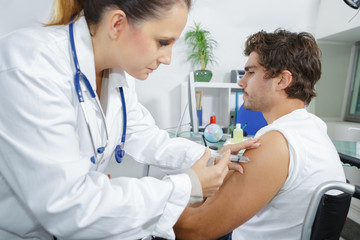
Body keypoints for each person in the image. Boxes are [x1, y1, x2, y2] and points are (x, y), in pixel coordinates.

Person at [0, 0, 259, 239]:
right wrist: (187, 185)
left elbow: (147, 138)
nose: (167, 59)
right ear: (117, 24)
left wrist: (213, 159)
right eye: (162, 42)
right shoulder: (30, 65)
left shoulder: (118, 76)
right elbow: (67, 204)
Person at [174, 29, 347, 239]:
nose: (241, 82)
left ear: (282, 80)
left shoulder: (275, 144)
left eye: (251, 72)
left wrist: (190, 185)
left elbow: (192, 231)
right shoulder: (312, 128)